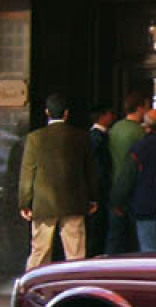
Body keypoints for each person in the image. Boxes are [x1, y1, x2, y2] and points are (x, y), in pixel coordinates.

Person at [18, 93, 97, 270]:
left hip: (44, 203)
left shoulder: (35, 138)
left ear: (47, 112)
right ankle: (75, 287)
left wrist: (25, 202)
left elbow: (28, 172)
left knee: (40, 250)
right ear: (66, 113)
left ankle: (34, 287)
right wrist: (92, 198)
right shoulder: (81, 137)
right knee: (76, 252)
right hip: (74, 202)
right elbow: (89, 171)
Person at [106, 88, 149, 253]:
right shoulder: (139, 132)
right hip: (135, 189)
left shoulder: (115, 128)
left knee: (115, 236)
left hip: (114, 185)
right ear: (139, 108)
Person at [127, 109, 156, 252]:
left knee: (148, 251)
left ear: (146, 126)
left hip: (145, 204)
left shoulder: (139, 147)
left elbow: (127, 176)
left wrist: (119, 200)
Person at [86, 102, 115, 257]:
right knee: (98, 226)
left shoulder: (98, 136)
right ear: (102, 117)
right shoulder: (97, 138)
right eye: (109, 114)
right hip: (100, 189)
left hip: (99, 188)